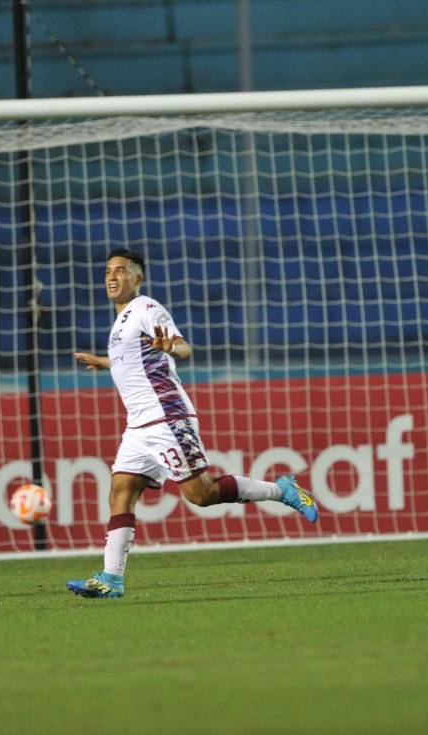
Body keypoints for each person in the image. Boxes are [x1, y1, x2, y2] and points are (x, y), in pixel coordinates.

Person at [66, 248, 319, 599]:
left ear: (136, 279)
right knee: (120, 492)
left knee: (201, 495)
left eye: (121, 271)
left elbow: (182, 347)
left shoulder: (146, 308)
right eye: (108, 270)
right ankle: (111, 579)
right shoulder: (121, 320)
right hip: (138, 426)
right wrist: (104, 362)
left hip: (165, 416)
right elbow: (134, 358)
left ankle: (283, 490)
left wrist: (171, 347)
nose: (112, 277)